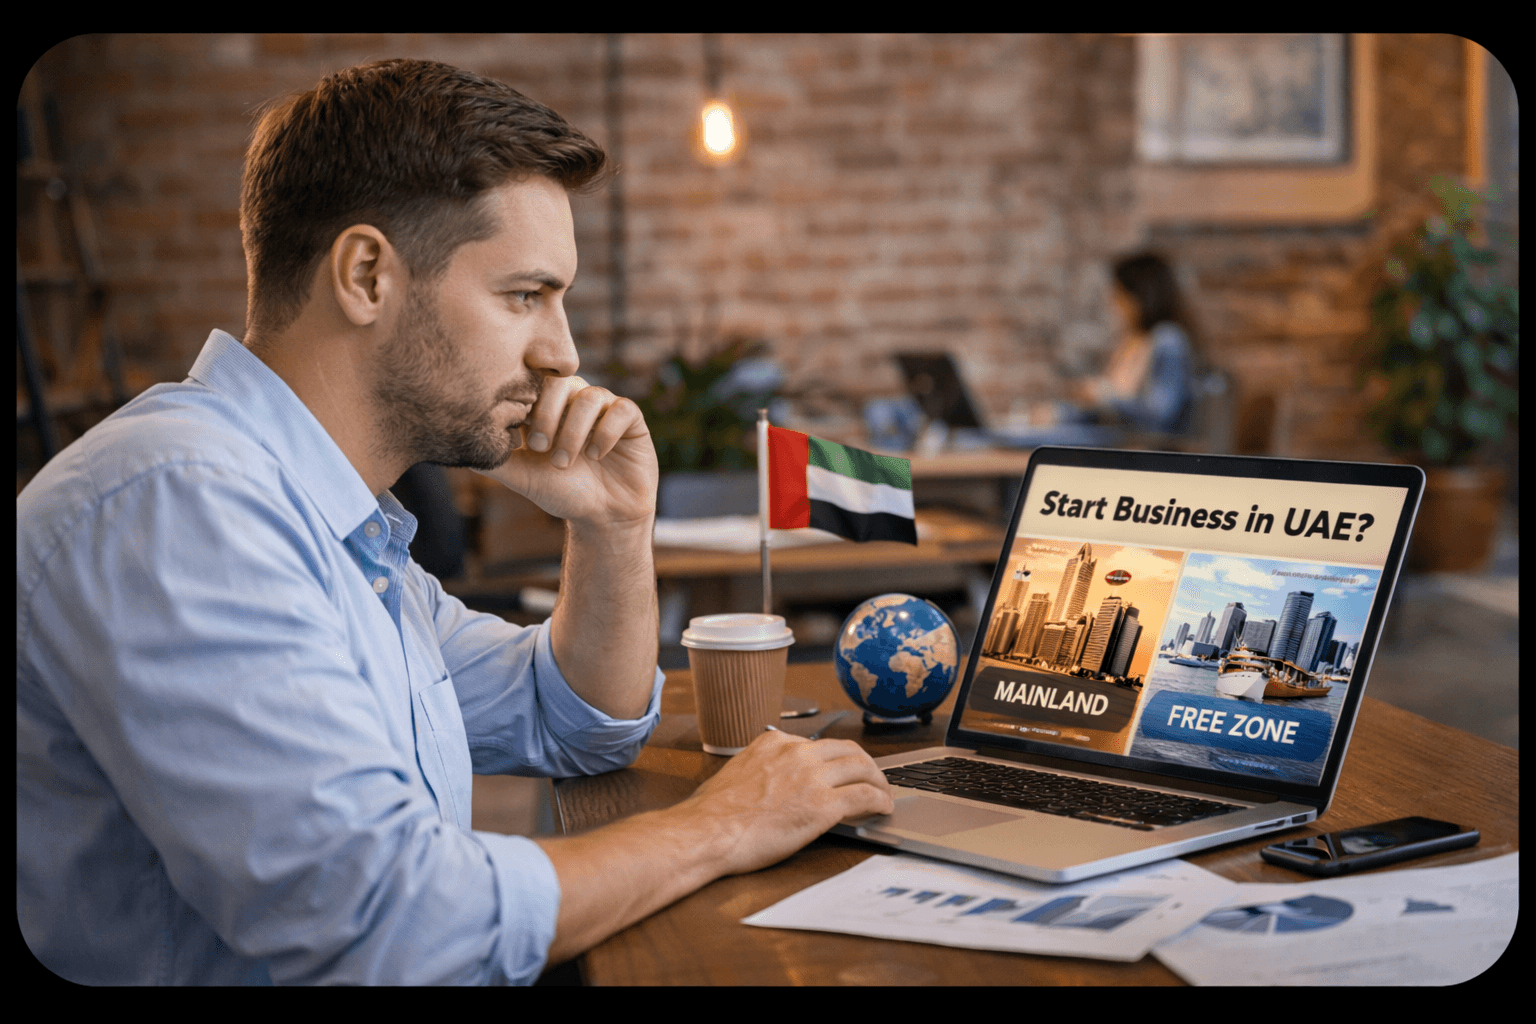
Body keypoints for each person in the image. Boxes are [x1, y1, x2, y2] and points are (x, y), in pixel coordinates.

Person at [16, 59, 893, 986]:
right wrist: (726, 824)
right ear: (365, 275)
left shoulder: (324, 519)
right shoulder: (180, 508)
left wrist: (612, 526)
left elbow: (573, 721)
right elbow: (387, 926)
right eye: (525, 296)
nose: (564, 352)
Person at [1066, 251, 1202, 435]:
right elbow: (1109, 415)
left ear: (1138, 295)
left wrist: (1104, 396)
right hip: (1122, 444)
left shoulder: (1168, 340)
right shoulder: (1132, 341)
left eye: (1118, 296)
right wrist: (1061, 414)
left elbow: (1161, 413)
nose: (1113, 305)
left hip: (1152, 452)